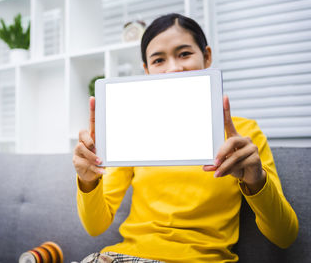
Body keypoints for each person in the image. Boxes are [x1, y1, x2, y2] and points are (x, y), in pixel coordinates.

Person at [73, 13, 298, 263]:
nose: (174, 69)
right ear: (146, 70)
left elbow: (285, 236)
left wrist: (256, 181)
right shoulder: (132, 131)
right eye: (159, 60)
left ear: (207, 56)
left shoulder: (244, 135)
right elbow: (95, 226)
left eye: (184, 54)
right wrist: (88, 180)